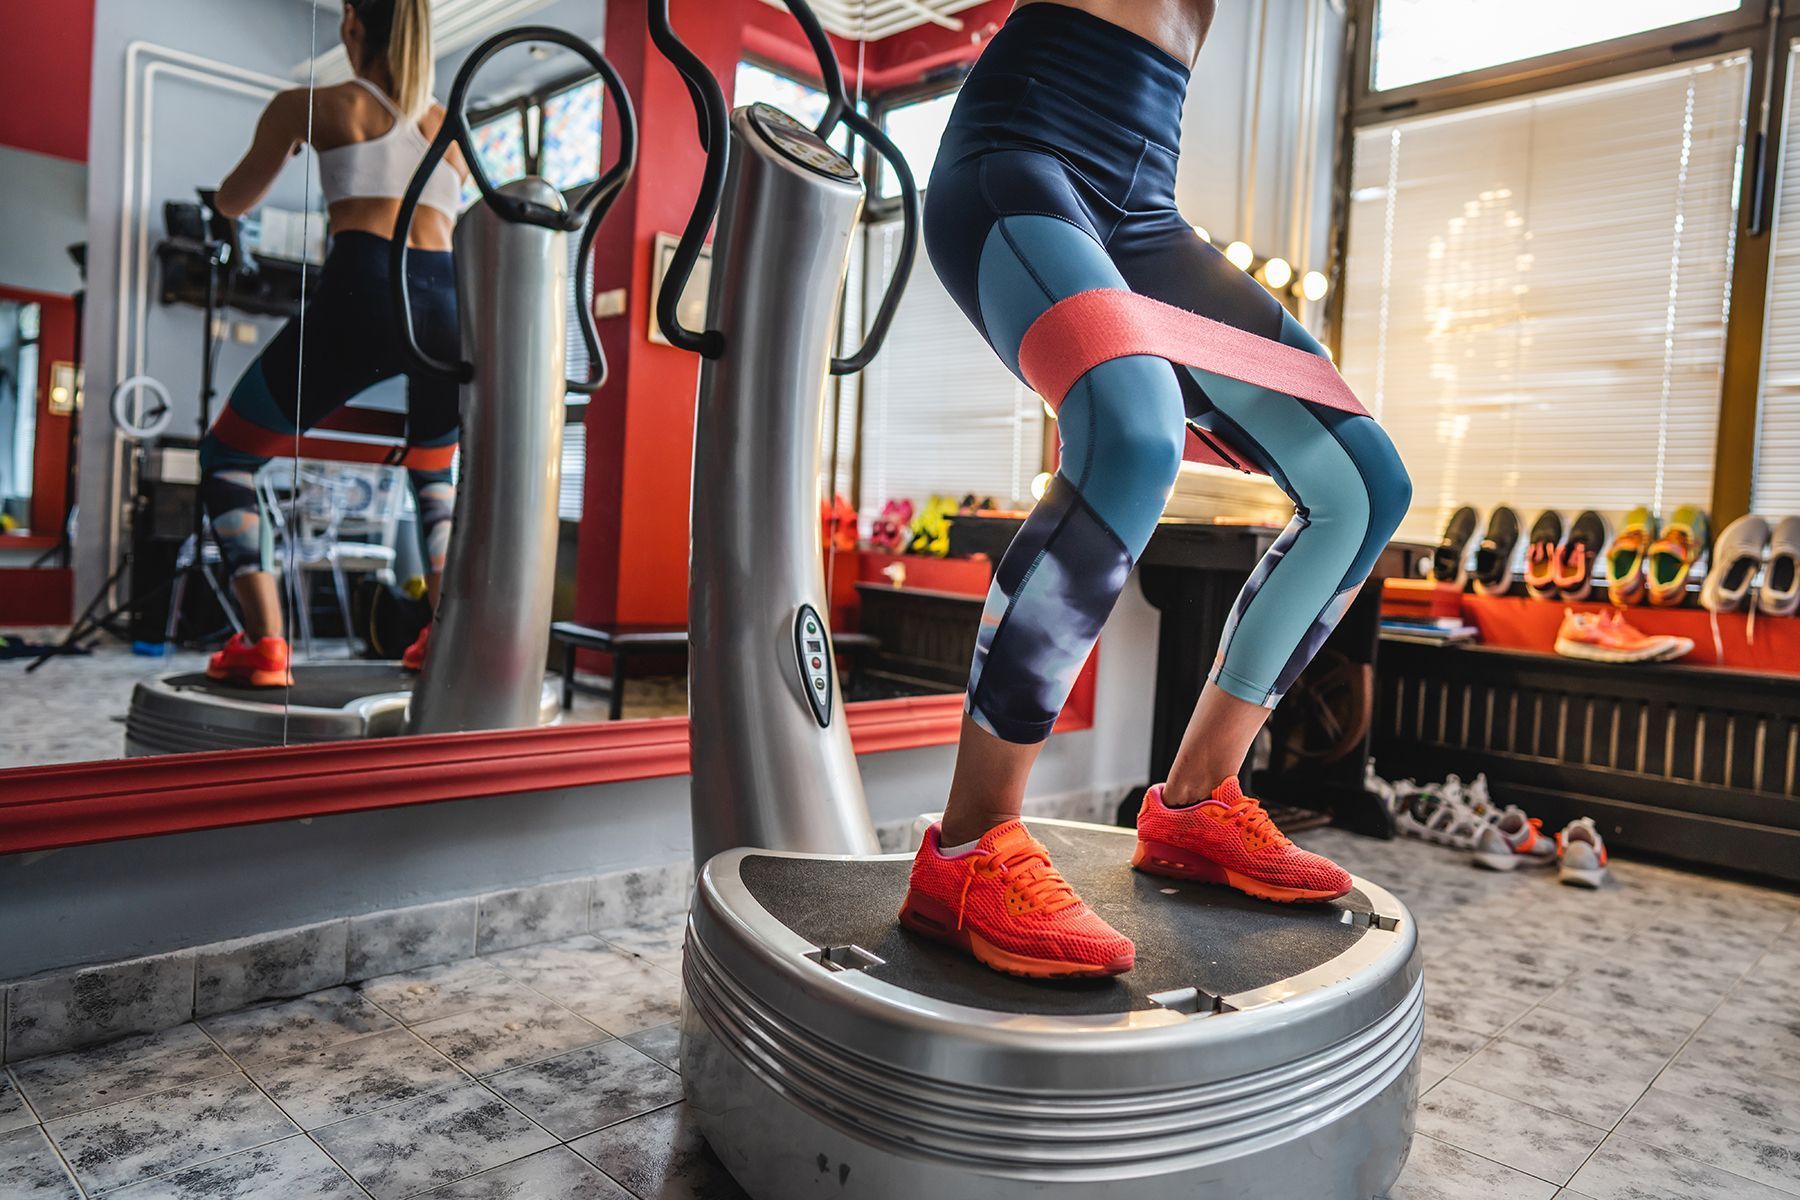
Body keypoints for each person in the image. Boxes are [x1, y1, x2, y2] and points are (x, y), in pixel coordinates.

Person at [899, 0, 1414, 978]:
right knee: (1135, 435)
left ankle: (1196, 805)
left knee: (1364, 485)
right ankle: (966, 849)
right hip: (1022, 155)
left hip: (1143, 204)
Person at [199, 0, 467, 686]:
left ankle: (264, 645)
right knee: (433, 474)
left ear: (351, 22)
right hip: (447, 308)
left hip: (363, 292)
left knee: (228, 457)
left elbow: (231, 202)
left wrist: (286, 140)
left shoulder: (315, 104)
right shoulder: (450, 127)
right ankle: (444, 640)